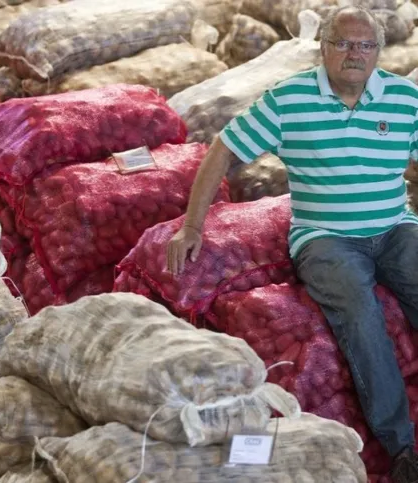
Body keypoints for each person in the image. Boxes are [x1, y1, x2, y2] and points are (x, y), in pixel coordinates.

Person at [167, 5, 418, 482]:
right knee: (361, 316)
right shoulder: (289, 99)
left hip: (395, 227)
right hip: (325, 238)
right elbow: (225, 148)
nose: (353, 54)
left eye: (365, 46)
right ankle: (402, 447)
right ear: (322, 47)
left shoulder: (405, 98)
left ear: (378, 53)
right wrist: (192, 227)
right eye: (342, 43)